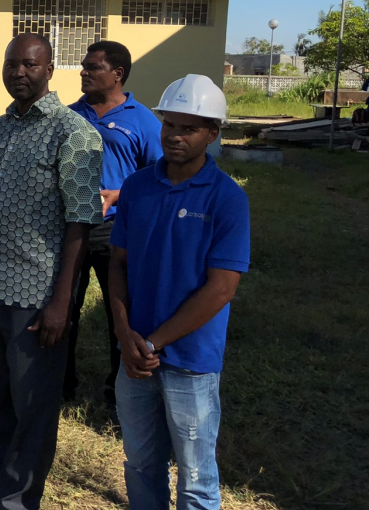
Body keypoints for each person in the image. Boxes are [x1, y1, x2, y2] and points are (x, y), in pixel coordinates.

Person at [0, 33, 103, 510]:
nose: (19, 72)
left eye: (29, 64)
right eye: (11, 64)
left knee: (33, 408)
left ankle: (19, 502)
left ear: (49, 68)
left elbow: (80, 222)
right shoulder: (4, 130)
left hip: (38, 297)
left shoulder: (73, 133)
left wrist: (62, 301)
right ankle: (3, 492)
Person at [109, 74, 249, 510]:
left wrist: (154, 342)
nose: (175, 136)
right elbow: (118, 264)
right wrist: (124, 332)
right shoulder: (138, 186)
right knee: (140, 464)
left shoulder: (226, 198)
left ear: (213, 133)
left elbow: (222, 289)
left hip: (190, 361)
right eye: (170, 125)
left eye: (189, 128)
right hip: (136, 357)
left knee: (195, 477)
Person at [64, 41, 163, 406]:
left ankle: (118, 389)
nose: (83, 72)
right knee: (64, 307)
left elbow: (158, 176)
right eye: (84, 66)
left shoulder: (142, 120)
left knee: (118, 311)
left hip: (115, 230)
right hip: (72, 227)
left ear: (117, 73)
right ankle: (61, 385)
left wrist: (118, 195)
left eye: (92, 67)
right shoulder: (71, 115)